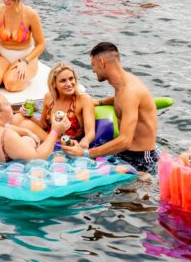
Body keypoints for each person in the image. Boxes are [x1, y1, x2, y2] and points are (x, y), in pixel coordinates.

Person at [64, 42, 158, 173]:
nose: (93, 70)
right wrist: (100, 102)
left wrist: (85, 153)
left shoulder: (130, 91)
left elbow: (125, 141)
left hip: (141, 159)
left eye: (93, 65)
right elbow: (124, 101)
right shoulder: (123, 83)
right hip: (125, 153)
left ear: (102, 62)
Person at [0, 92, 69, 165]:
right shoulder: (6, 135)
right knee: (28, 140)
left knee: (27, 137)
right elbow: (37, 159)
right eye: (7, 104)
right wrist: (55, 131)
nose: (10, 104)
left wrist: (25, 131)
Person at [10, 62, 96, 147]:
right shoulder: (49, 97)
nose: (69, 84)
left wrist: (85, 140)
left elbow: (90, 133)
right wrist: (29, 115)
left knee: (26, 125)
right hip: (49, 136)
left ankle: (17, 146)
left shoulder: (83, 100)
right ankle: (15, 147)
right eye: (63, 81)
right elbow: (44, 126)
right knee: (17, 117)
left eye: (71, 78)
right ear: (54, 84)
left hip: (64, 142)